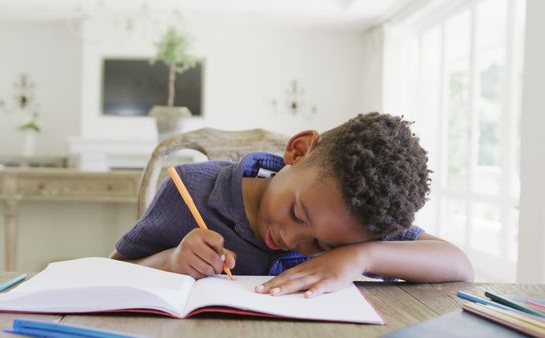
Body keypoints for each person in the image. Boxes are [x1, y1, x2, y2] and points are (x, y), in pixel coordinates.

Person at [110, 112, 474, 298]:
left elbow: (458, 264)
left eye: (321, 246)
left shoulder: (355, 229)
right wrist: (172, 261)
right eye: (298, 213)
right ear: (298, 150)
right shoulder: (190, 188)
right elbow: (113, 270)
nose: (290, 237)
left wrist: (359, 257)